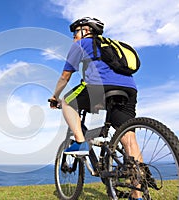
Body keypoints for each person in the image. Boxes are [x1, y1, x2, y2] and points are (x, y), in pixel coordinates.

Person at [49, 17, 143, 200]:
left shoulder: (81, 44)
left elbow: (65, 76)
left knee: (68, 102)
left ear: (85, 30)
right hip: (129, 89)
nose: (74, 36)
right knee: (129, 140)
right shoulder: (111, 45)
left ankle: (80, 140)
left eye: (75, 32)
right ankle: (136, 194)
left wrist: (55, 97)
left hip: (100, 86)